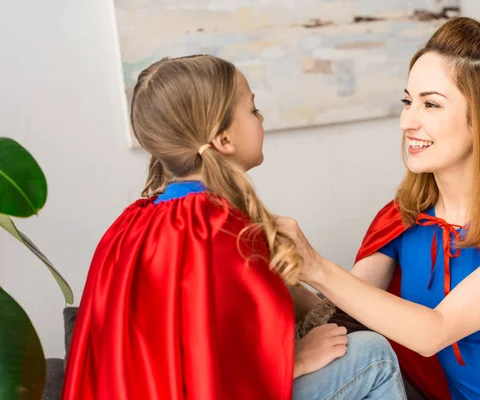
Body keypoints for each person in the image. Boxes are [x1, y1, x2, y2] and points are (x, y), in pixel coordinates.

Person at [278, 17, 480, 399]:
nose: (406, 121)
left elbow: (433, 331)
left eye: (430, 104)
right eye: (407, 101)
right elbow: (347, 309)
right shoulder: (403, 217)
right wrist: (284, 273)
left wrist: (315, 264)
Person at [62, 54, 406, 399]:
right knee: (372, 355)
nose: (261, 118)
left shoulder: (130, 226)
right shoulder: (220, 227)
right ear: (224, 140)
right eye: (253, 110)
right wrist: (293, 361)